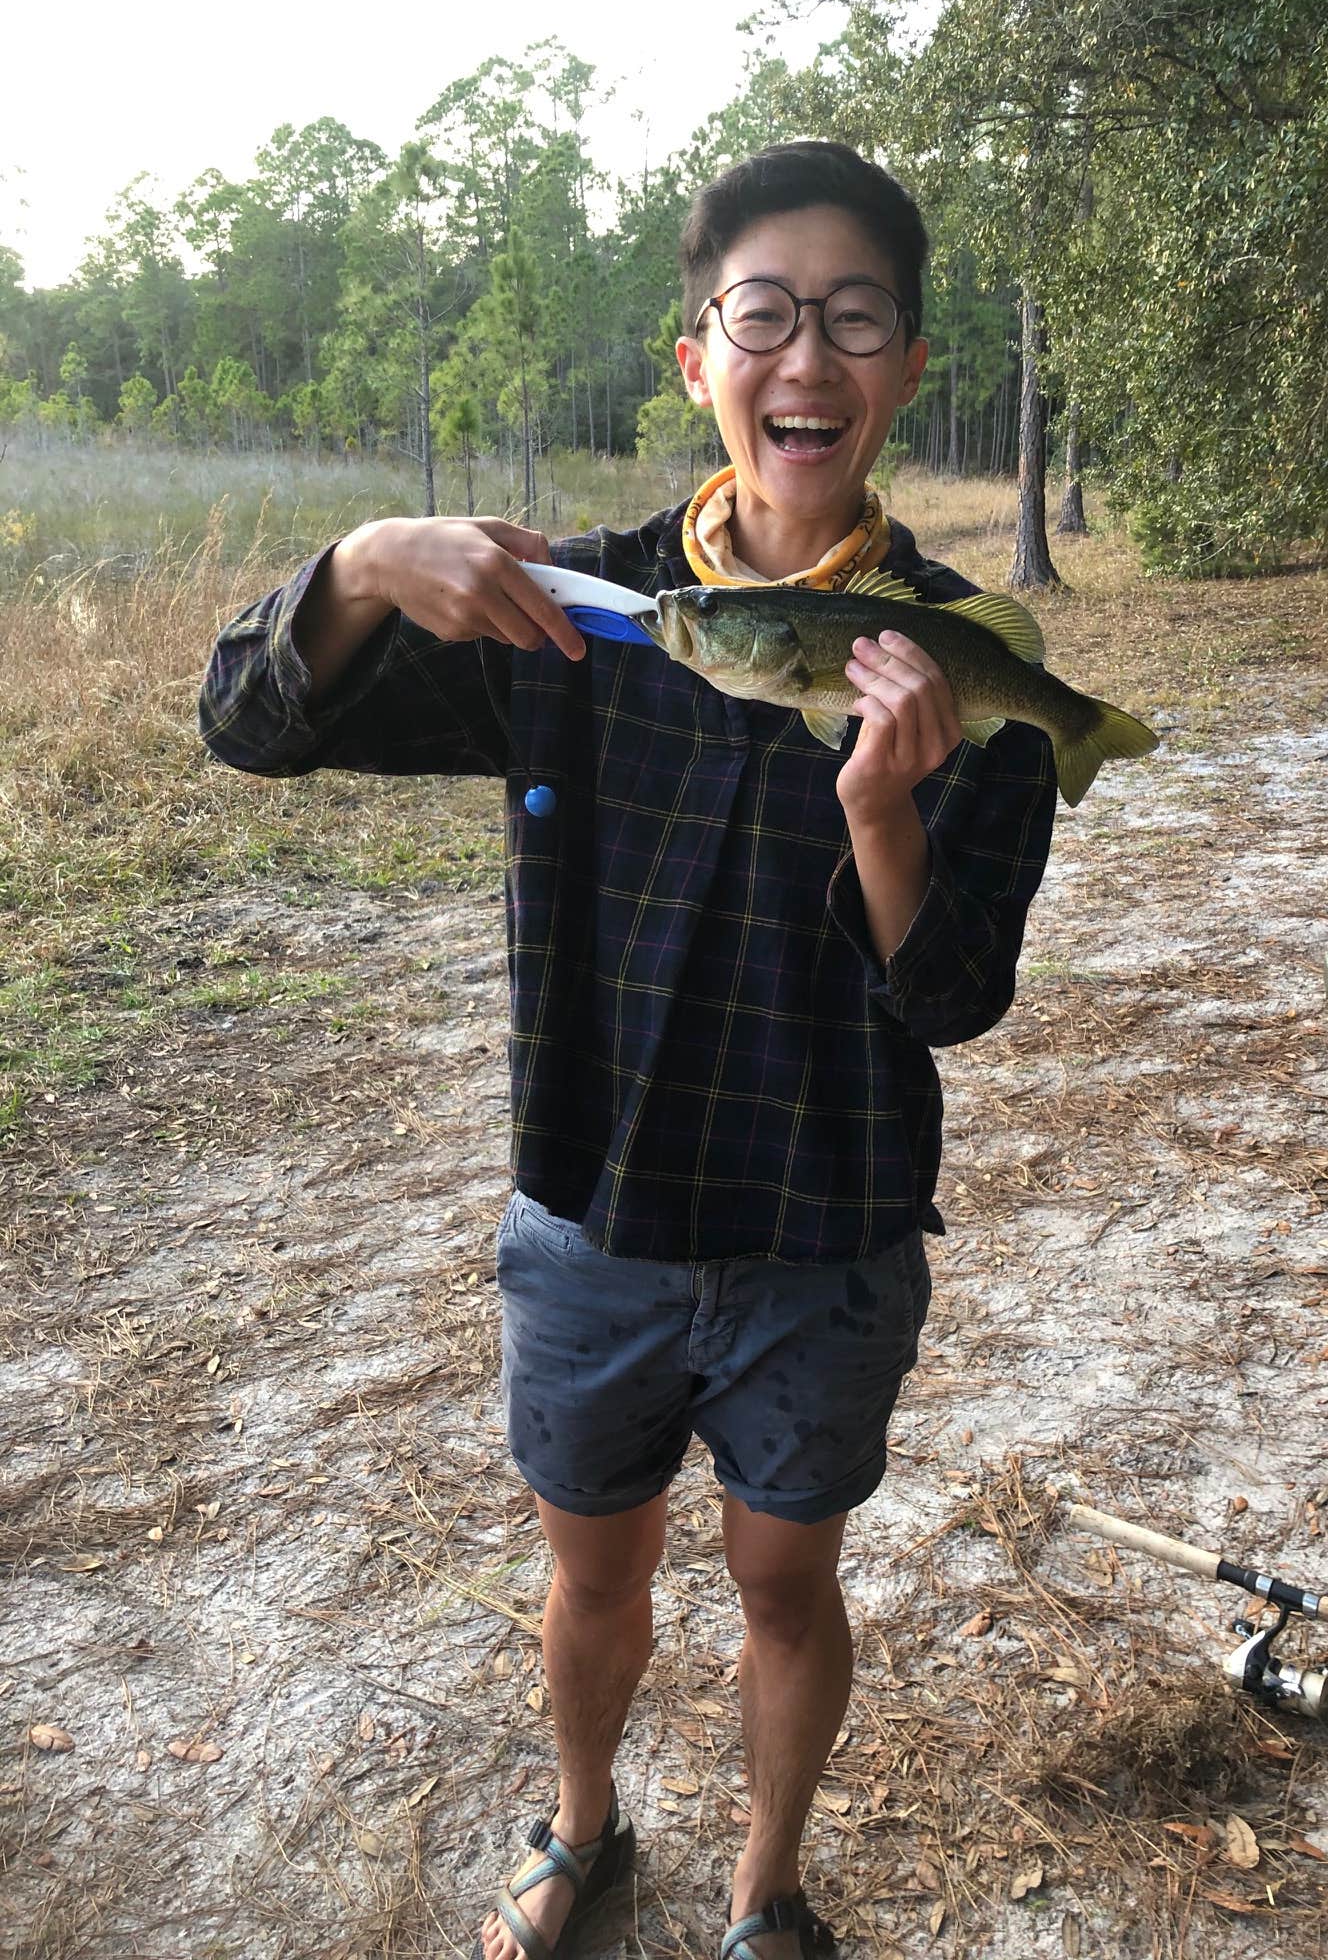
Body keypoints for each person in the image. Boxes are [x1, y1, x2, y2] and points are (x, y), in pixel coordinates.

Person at [199, 140, 1056, 1960]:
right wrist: (363, 565)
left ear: (909, 365)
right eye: (765, 315)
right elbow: (250, 723)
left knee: (785, 1581)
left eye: (856, 319)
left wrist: (884, 814)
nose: (807, 357)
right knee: (593, 1574)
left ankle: (766, 1886)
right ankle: (583, 1822)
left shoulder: (964, 668)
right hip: (591, 1221)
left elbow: (954, 1001)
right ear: (697, 358)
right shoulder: (568, 616)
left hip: (825, 1235)